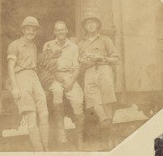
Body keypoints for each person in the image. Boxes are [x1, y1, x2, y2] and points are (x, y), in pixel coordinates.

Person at [78, 10, 120, 150]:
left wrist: (102, 58)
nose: (90, 25)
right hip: (89, 73)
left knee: (107, 103)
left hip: (104, 69)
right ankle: (109, 131)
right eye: (87, 23)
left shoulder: (105, 40)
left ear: (97, 25)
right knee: (96, 105)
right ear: (84, 26)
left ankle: (106, 142)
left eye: (93, 22)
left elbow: (116, 59)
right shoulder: (81, 44)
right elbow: (78, 62)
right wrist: (83, 61)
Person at [7, 16, 49, 151]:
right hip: (21, 76)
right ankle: (39, 150)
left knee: (44, 113)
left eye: (34, 29)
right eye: (28, 29)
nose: (31, 32)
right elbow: (10, 68)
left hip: (33, 77)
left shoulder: (33, 45)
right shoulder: (14, 45)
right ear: (23, 30)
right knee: (31, 116)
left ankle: (46, 148)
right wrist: (14, 87)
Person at [43, 21, 84, 149]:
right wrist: (56, 76)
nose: (60, 32)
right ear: (55, 32)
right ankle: (61, 134)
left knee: (77, 100)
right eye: (58, 30)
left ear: (66, 31)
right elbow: (46, 65)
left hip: (70, 77)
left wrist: (71, 82)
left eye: (63, 30)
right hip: (54, 76)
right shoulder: (48, 45)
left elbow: (77, 67)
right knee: (57, 92)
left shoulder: (73, 47)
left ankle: (80, 137)